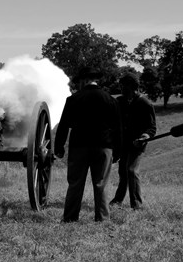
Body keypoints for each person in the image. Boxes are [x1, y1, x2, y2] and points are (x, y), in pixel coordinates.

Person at [55, 68, 121, 222]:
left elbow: (64, 125)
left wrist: (59, 148)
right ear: (95, 80)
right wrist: (118, 150)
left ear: (83, 81)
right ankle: (103, 218)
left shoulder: (73, 99)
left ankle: (70, 218)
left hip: (79, 145)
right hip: (104, 146)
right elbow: (118, 128)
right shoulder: (110, 99)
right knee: (101, 184)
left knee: (75, 184)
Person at [110, 73, 156, 210]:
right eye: (121, 86)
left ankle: (136, 204)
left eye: (125, 87)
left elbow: (152, 127)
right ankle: (118, 200)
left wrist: (145, 136)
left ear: (134, 87)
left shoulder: (145, 103)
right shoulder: (120, 102)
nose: (122, 90)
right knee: (123, 172)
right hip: (124, 143)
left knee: (131, 170)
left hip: (138, 143)